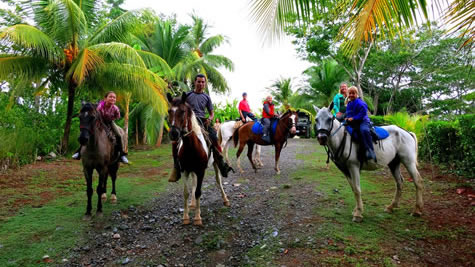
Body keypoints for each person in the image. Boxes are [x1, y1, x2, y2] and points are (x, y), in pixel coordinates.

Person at [168, 74, 233, 182]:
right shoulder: (187, 95)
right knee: (175, 142)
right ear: (195, 82)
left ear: (205, 84)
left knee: (214, 139)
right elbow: (179, 106)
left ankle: (221, 164)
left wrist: (210, 119)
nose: (201, 84)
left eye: (203, 82)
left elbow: (211, 112)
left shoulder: (207, 97)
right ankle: (176, 167)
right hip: (189, 121)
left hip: (203, 121)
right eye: (199, 81)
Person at [72, 91, 129, 164]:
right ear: (105, 99)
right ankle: (79, 152)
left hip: (109, 122)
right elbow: (95, 113)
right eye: (110, 97)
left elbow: (117, 116)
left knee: (118, 135)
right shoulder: (100, 105)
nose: (112, 98)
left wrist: (110, 119)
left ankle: (122, 154)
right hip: (99, 121)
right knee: (87, 132)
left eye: (114, 97)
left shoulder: (115, 108)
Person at [345, 86, 376, 161]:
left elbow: (362, 113)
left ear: (357, 94)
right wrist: (347, 118)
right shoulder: (349, 103)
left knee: (364, 130)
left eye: (353, 93)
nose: (351, 95)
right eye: (350, 93)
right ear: (348, 94)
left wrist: (353, 118)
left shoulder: (360, 103)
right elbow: (348, 113)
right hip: (354, 122)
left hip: (363, 121)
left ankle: (370, 150)